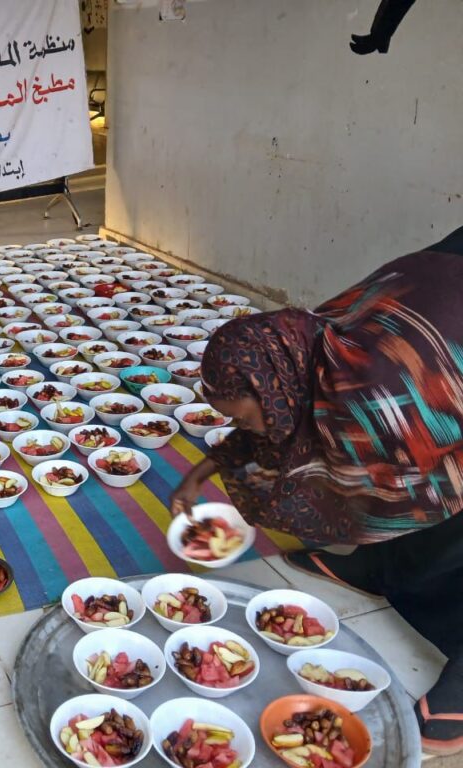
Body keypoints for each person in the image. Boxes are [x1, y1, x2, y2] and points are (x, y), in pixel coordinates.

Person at [170, 224, 463, 757]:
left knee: (435, 499)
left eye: (244, 420)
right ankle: (384, 570)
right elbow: (285, 418)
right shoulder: (306, 343)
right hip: (444, 287)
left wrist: (277, 497)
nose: (247, 429)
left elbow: (386, 500)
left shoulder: (382, 399)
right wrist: (204, 470)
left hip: (440, 354)